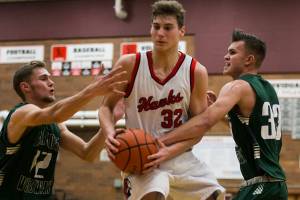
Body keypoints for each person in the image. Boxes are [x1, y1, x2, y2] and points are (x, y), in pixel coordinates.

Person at [99, 1, 224, 199]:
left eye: (168, 28)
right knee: (154, 195)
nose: (160, 33)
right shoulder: (130, 64)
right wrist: (109, 134)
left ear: (182, 31)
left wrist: (169, 151)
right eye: (156, 27)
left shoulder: (195, 72)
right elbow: (106, 107)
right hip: (143, 159)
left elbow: (198, 130)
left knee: (215, 195)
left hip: (180, 156)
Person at [153, 29, 288, 199]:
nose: (225, 56)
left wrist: (160, 141)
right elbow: (251, 127)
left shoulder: (236, 87)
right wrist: (227, 116)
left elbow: (205, 122)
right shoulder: (267, 89)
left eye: (232, 52)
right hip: (276, 185)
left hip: (260, 185)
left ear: (249, 59)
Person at [0, 60, 127, 199]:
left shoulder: (56, 125)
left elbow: (87, 153)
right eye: (43, 78)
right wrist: (93, 90)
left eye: (50, 77)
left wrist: (111, 120)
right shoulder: (21, 113)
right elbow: (56, 113)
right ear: (25, 87)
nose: (51, 82)